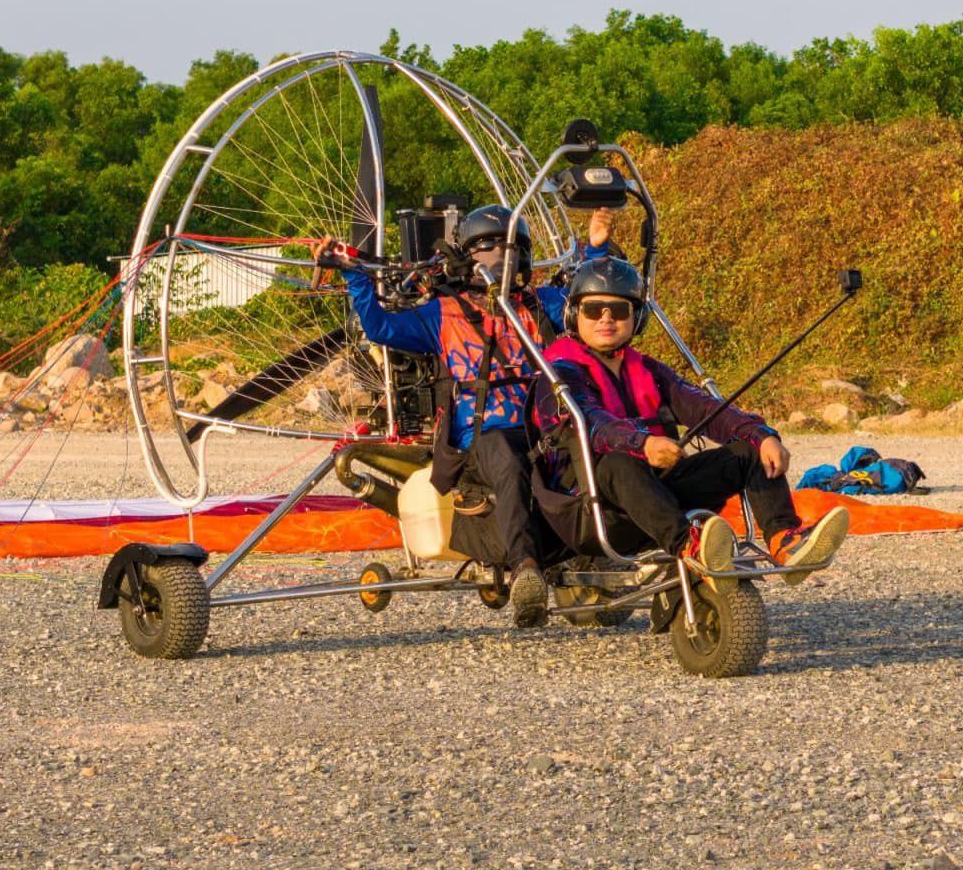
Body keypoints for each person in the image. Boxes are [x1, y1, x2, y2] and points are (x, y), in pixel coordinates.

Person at [314, 205, 613, 627]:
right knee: (509, 462)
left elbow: (592, 296)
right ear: (470, 256)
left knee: (593, 445)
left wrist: (595, 246)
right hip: (482, 436)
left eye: (508, 249)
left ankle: (606, 552)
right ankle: (525, 569)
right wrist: (353, 274)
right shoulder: (443, 312)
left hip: (541, 426)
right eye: (488, 249)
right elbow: (380, 327)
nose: (499, 258)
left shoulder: (538, 303)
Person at [534, 256, 849, 582]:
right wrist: (642, 444)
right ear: (573, 314)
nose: (606, 319)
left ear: (636, 317)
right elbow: (590, 422)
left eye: (618, 311)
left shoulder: (647, 370)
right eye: (593, 309)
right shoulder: (557, 371)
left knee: (747, 451)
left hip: (656, 496)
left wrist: (761, 434)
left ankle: (785, 539)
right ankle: (691, 546)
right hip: (591, 508)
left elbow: (703, 408)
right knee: (618, 463)